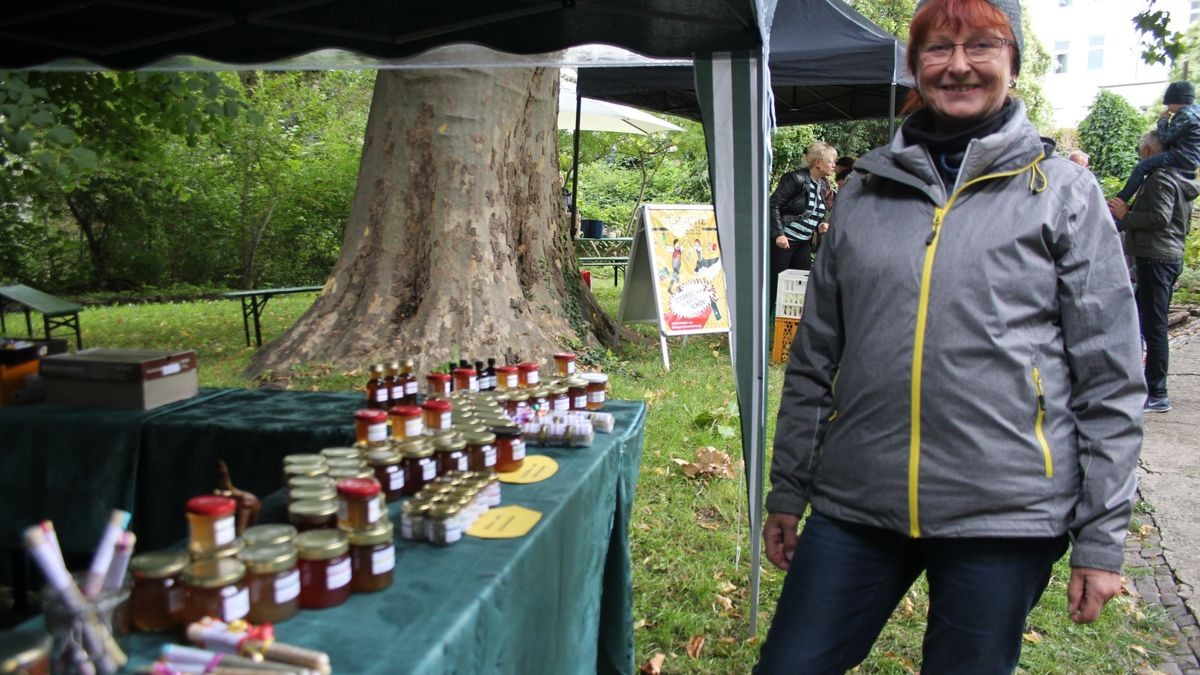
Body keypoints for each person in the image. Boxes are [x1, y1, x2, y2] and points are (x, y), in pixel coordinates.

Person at [756, 0, 1144, 672]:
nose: (959, 65)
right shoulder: (864, 193)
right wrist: (788, 489)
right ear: (915, 65)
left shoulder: (1064, 193)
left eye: (982, 45)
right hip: (858, 500)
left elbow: (1110, 380)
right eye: (938, 48)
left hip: (1005, 512)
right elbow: (815, 358)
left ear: (1012, 62)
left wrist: (1101, 539)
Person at [1110, 130, 1198, 413]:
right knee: (1138, 320)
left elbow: (1160, 217)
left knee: (1154, 326)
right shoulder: (1175, 177)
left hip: (1156, 258)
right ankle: (1139, 382)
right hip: (1161, 257)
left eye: (1140, 148)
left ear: (1148, 152)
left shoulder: (1160, 179)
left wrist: (1126, 215)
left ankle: (1158, 393)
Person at [768, 142, 836, 308]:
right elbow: (773, 204)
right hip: (785, 242)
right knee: (774, 283)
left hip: (803, 242)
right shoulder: (795, 179)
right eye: (831, 161)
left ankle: (790, 321)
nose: (834, 165)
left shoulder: (822, 184)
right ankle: (765, 318)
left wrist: (820, 225)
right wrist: (779, 234)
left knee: (799, 284)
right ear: (818, 163)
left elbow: (812, 209)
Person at [1112, 81, 1200, 205]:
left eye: (1169, 104)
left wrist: (1163, 120)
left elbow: (1166, 138)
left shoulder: (1185, 115)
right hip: (1193, 159)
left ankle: (1120, 200)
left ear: (1176, 101)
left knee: (1141, 167)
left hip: (1181, 156)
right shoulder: (1197, 112)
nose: (1168, 108)